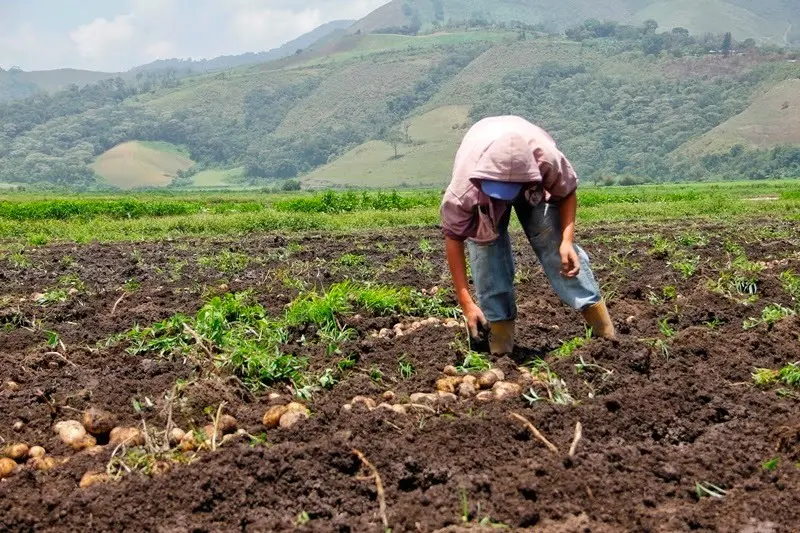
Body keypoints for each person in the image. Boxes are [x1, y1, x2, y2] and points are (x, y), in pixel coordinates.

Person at [440, 115, 615, 355]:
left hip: (533, 183)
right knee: (487, 258)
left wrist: (566, 241)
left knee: (554, 245)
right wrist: (467, 304)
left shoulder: (547, 160)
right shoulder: (465, 189)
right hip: (482, 186)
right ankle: (501, 346)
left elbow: (567, 193)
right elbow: (454, 239)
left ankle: (606, 335)